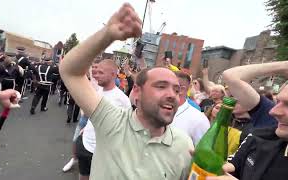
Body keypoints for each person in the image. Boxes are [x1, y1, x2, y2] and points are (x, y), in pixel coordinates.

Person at [59, 3, 193, 180]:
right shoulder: (112, 120)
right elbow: (70, 71)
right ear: (137, 92)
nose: (172, 95)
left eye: (177, 90)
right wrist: (107, 35)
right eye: (161, 86)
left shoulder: (184, 145)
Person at [207, 61, 288, 180]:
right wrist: (284, 66)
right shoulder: (268, 133)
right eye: (278, 102)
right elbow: (231, 76)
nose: (273, 111)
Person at [76, 59, 131, 179]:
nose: (96, 75)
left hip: (103, 152)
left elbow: (126, 126)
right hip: (85, 144)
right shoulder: (99, 91)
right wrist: (86, 127)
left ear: (112, 74)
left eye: (101, 73)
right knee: (83, 175)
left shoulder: (122, 99)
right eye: (96, 72)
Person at [171, 71, 210, 145]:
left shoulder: (199, 120)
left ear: (180, 90)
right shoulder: (153, 109)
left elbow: (202, 153)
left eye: (164, 86)